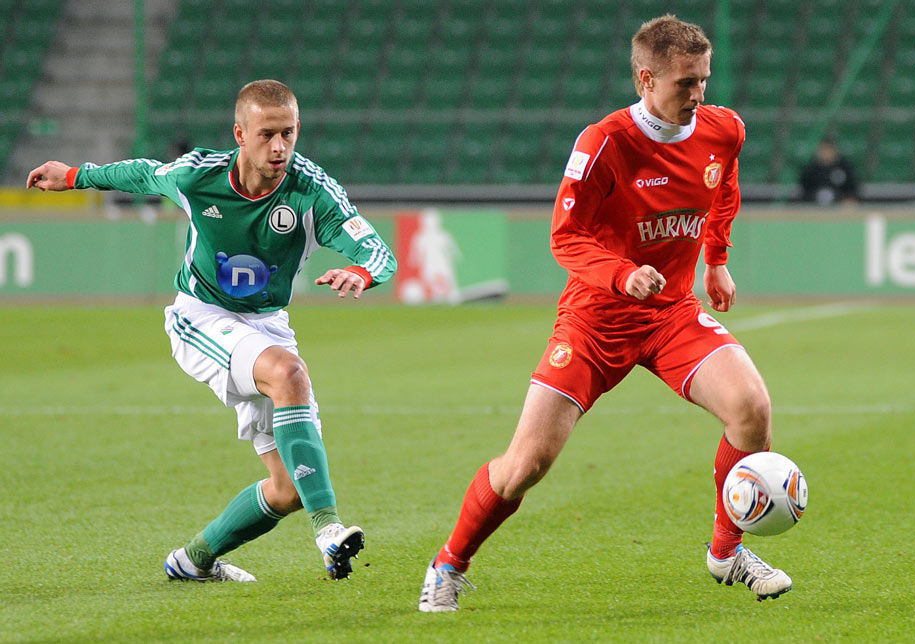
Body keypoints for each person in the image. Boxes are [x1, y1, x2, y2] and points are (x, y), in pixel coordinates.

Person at [418, 15, 793, 612]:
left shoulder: (724, 130)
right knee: (525, 466)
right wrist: (622, 274)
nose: (698, 94)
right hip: (595, 321)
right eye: (685, 83)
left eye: (704, 79)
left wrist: (716, 260)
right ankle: (449, 563)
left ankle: (726, 552)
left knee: (752, 409)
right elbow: (565, 238)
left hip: (671, 313)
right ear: (646, 79)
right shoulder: (604, 143)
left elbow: (724, 189)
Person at [27, 79, 396, 582]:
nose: (280, 147)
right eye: (267, 134)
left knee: (288, 489)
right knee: (289, 373)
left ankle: (192, 561)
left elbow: (376, 250)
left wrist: (362, 272)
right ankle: (328, 529)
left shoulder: (311, 191)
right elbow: (144, 173)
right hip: (201, 317)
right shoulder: (199, 175)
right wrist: (75, 175)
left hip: (267, 325)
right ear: (240, 134)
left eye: (288, 133)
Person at [799, 136, 860, 205]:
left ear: (835, 151)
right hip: (814, 206)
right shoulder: (810, 169)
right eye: (823, 150)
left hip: (840, 206)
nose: (826, 153)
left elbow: (852, 188)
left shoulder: (845, 167)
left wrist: (850, 199)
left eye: (829, 150)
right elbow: (804, 190)